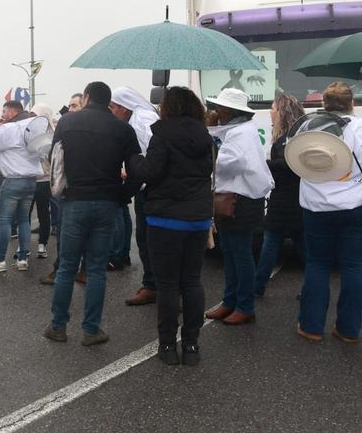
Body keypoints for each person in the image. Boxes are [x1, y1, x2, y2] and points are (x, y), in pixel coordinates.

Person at [46, 82, 143, 346]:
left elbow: (53, 159)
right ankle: (91, 329)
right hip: (106, 203)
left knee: (67, 266)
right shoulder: (124, 129)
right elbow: (138, 169)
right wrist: (123, 195)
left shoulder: (67, 123)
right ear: (109, 102)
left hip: (74, 201)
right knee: (97, 269)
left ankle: (58, 326)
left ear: (86, 97)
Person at [297, 82, 362, 343]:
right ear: (353, 103)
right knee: (353, 265)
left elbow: (296, 162)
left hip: (315, 207)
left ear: (323, 103)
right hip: (357, 206)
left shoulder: (307, 127)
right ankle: (348, 329)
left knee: (317, 264)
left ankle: (311, 326)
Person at [131, 87, 214, 365]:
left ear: (169, 107)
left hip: (165, 219)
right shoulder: (205, 136)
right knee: (192, 281)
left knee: (167, 286)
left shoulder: (162, 134)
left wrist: (135, 160)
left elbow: (149, 173)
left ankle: (167, 346)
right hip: (198, 218)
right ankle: (191, 346)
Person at [205, 89, 273, 326]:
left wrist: (211, 142)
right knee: (231, 254)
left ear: (231, 110)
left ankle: (244, 305)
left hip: (240, 201)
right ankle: (230, 301)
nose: (217, 111)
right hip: (235, 199)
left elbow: (227, 164)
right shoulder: (238, 130)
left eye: (220, 108)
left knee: (240, 255)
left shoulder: (240, 133)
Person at [0, 101, 43, 272]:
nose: (3, 114)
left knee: (5, 221)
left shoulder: (11, 128)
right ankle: (23, 259)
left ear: (11, 112)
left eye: (4, 111)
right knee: (24, 220)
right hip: (31, 181)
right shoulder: (34, 128)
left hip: (13, 181)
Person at [254, 94, 306, 297]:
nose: (270, 111)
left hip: (286, 199)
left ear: (282, 112)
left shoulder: (288, 139)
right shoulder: (296, 136)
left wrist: (265, 164)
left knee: (272, 243)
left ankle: (258, 286)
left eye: (273, 108)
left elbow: (289, 165)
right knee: (301, 246)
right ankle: (313, 284)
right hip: (295, 199)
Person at [107, 87, 158, 288]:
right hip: (143, 182)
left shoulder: (142, 119)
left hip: (150, 185)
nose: (111, 111)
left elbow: (153, 149)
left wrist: (137, 167)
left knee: (148, 237)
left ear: (124, 107)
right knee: (143, 236)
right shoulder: (133, 119)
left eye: (113, 107)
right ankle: (150, 282)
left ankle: (153, 285)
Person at [30, 103, 57, 259]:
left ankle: (42, 245)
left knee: (42, 212)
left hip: (44, 179)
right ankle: (26, 247)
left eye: (36, 114)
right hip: (33, 178)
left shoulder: (52, 134)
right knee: (27, 213)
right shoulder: (33, 131)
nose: (33, 117)